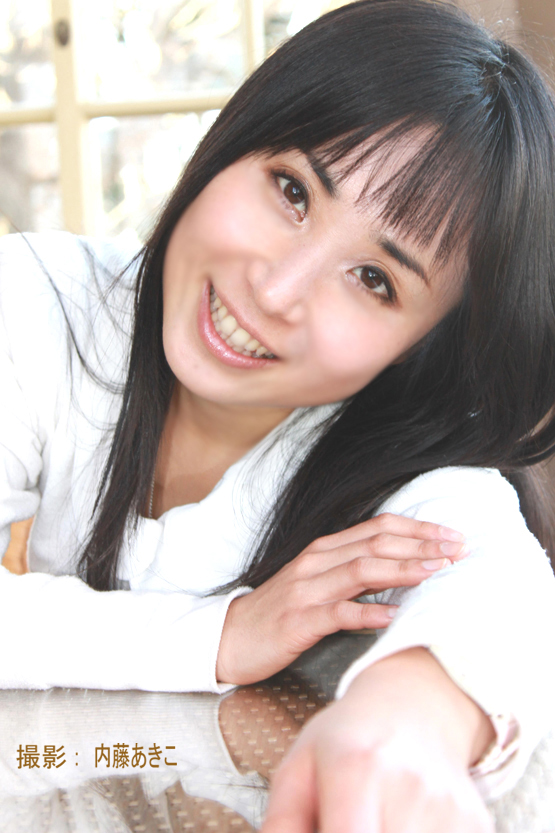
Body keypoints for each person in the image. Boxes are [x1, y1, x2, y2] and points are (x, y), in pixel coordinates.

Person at [1, 0, 555, 829]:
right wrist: (219, 633)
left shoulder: (391, 459)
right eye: (292, 190)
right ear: (233, 139)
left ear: (419, 348)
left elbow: (496, 587)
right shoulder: (39, 302)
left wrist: (406, 719)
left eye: (374, 280)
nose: (275, 289)